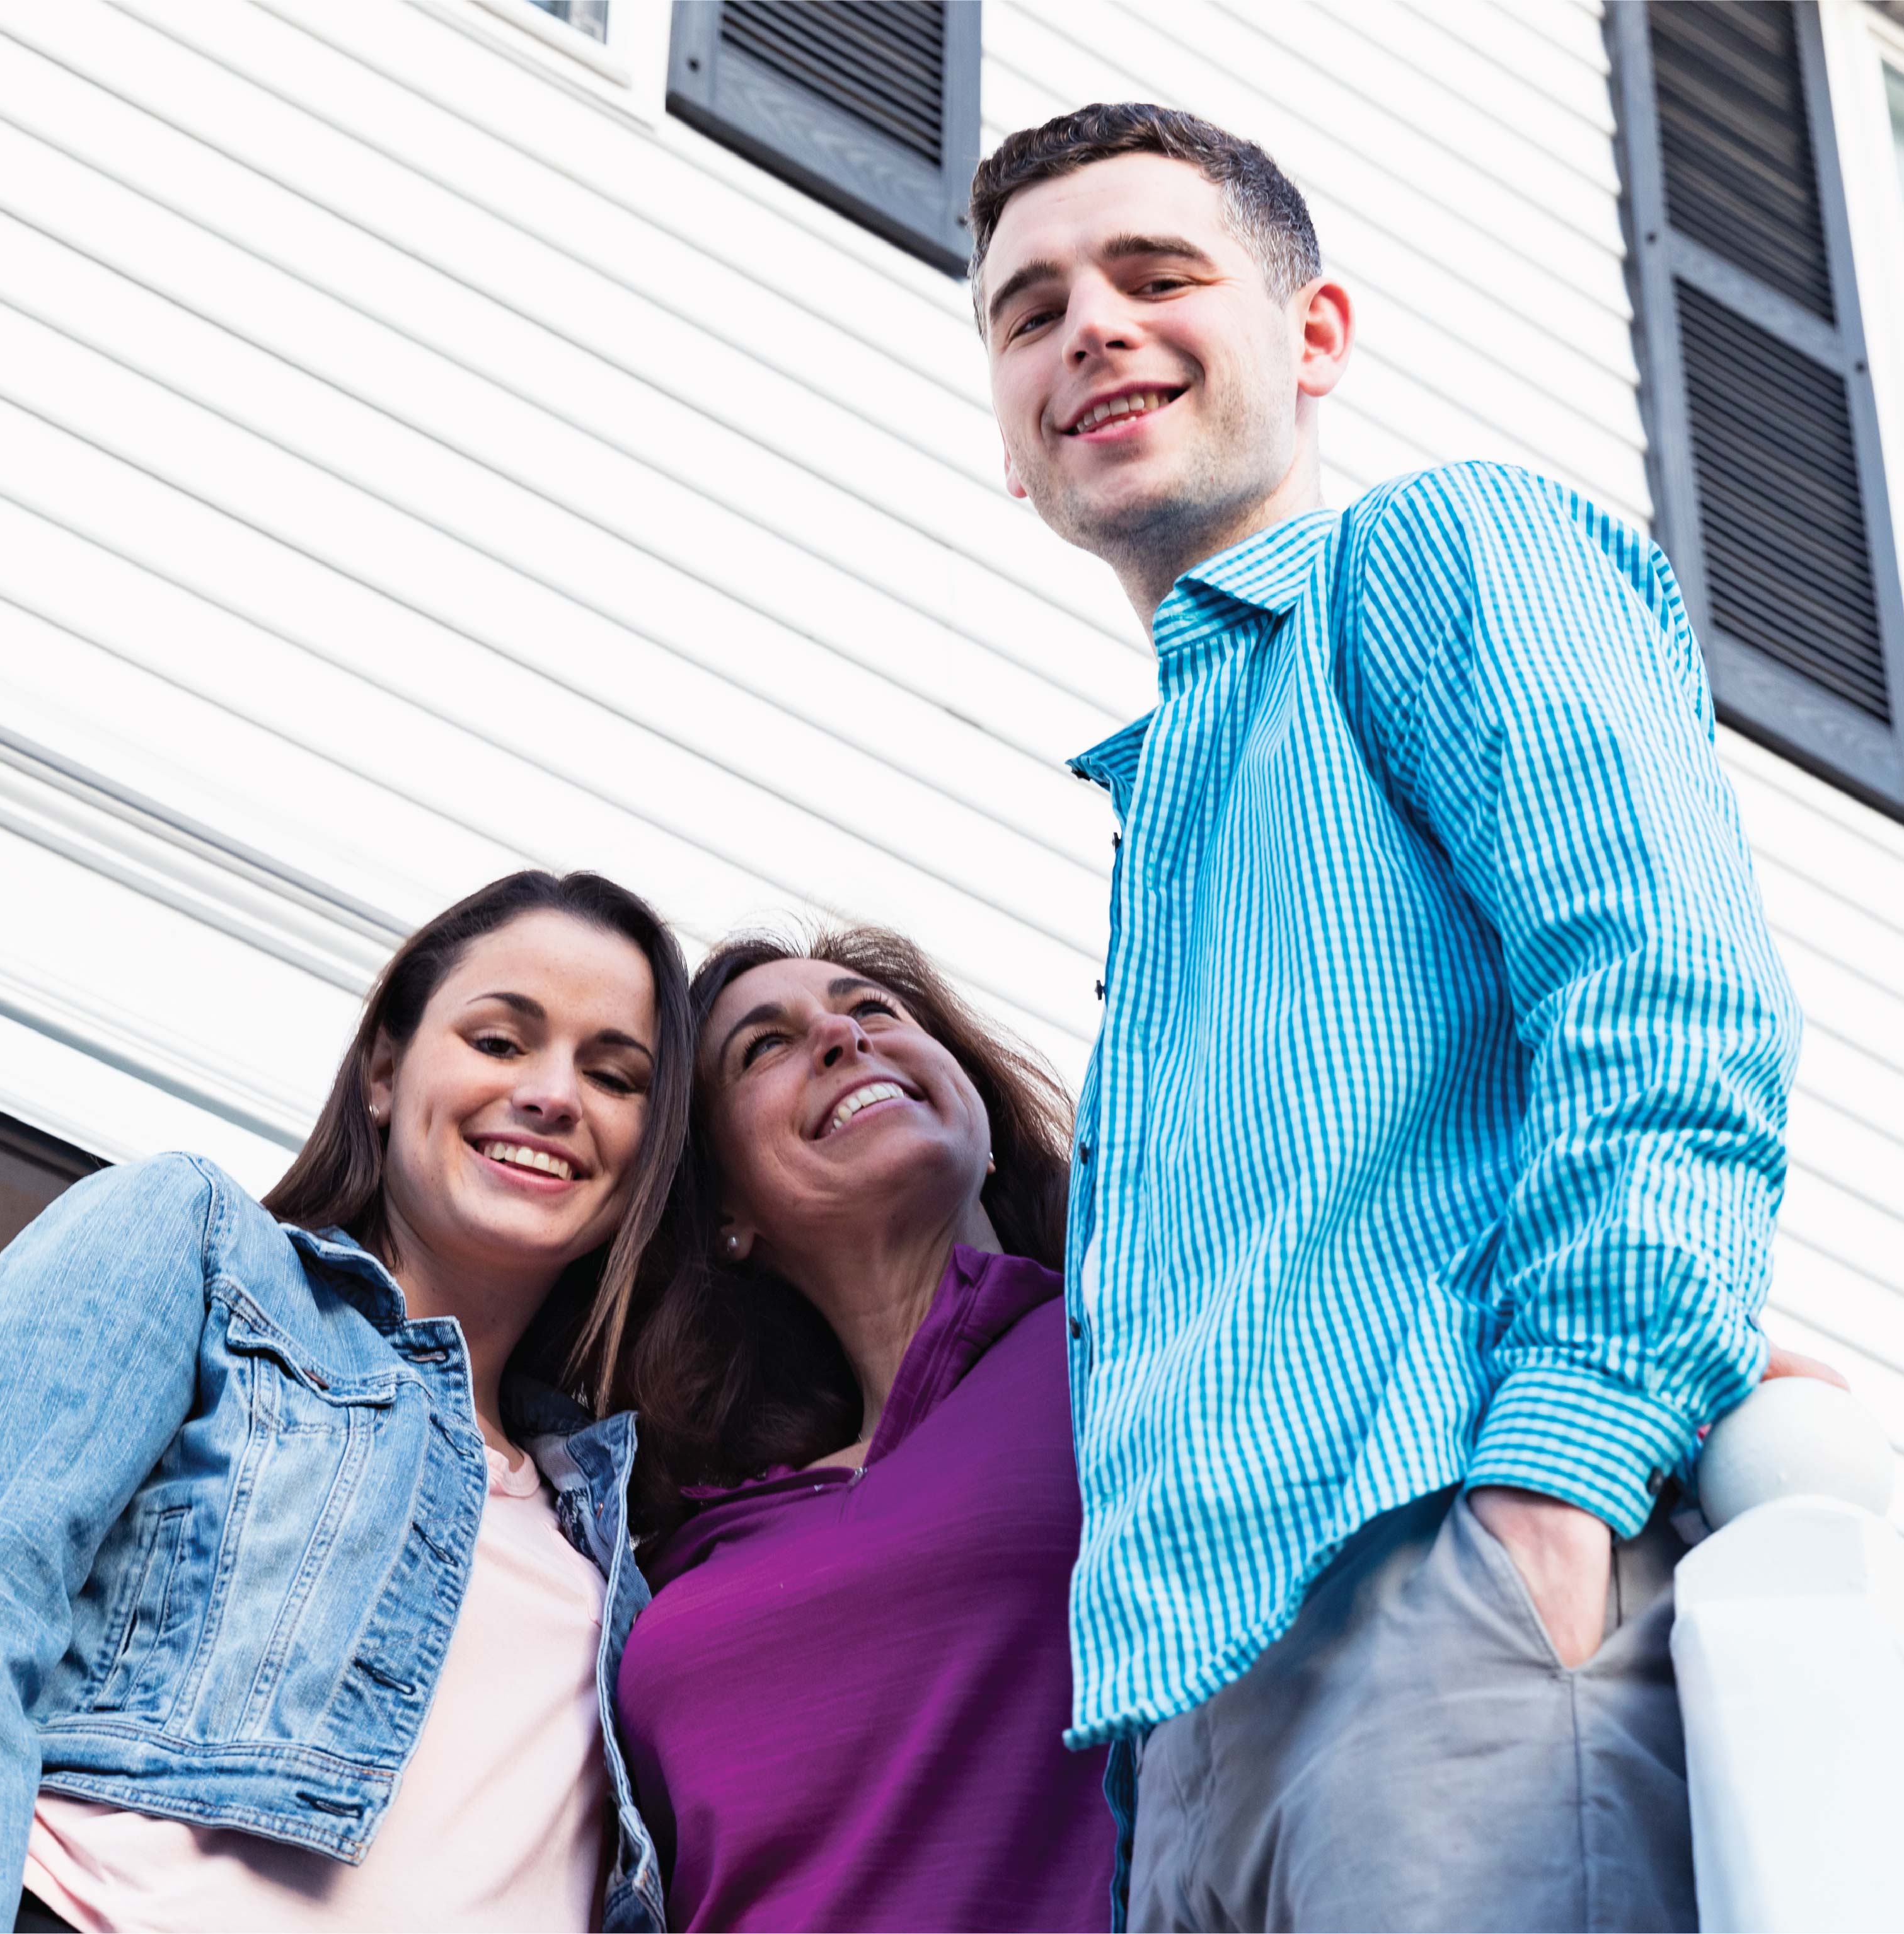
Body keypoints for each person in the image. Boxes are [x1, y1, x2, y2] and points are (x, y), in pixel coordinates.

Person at [972, 103, 1809, 1930]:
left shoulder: (1439, 556)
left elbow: (1663, 996)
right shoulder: (1169, 820)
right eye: (1026, 313)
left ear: (1313, 338)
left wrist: (1561, 1479)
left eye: (1155, 273)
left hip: (1447, 1594)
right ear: (1012, 448)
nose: (1088, 328)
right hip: (1188, 1737)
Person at [0, 871, 693, 1933]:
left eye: (614, 1074)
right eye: (500, 1043)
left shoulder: (613, 1542)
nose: (553, 1095)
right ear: (382, 1070)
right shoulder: (192, 1246)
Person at [612, 927, 1119, 1933]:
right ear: (726, 1214)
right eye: (765, 1046)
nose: (841, 1034)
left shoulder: (1129, 1342)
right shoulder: (675, 1537)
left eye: (874, 1010)